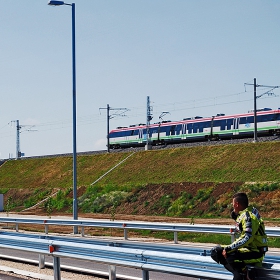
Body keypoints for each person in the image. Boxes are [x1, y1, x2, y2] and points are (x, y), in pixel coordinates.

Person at [211, 192, 268, 280]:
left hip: (256, 251)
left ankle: (243, 274)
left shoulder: (249, 216)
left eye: (233, 204)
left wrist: (229, 248)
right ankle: (243, 272)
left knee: (230, 255)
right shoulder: (244, 214)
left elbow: (247, 237)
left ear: (237, 204)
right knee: (216, 252)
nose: (233, 207)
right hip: (246, 249)